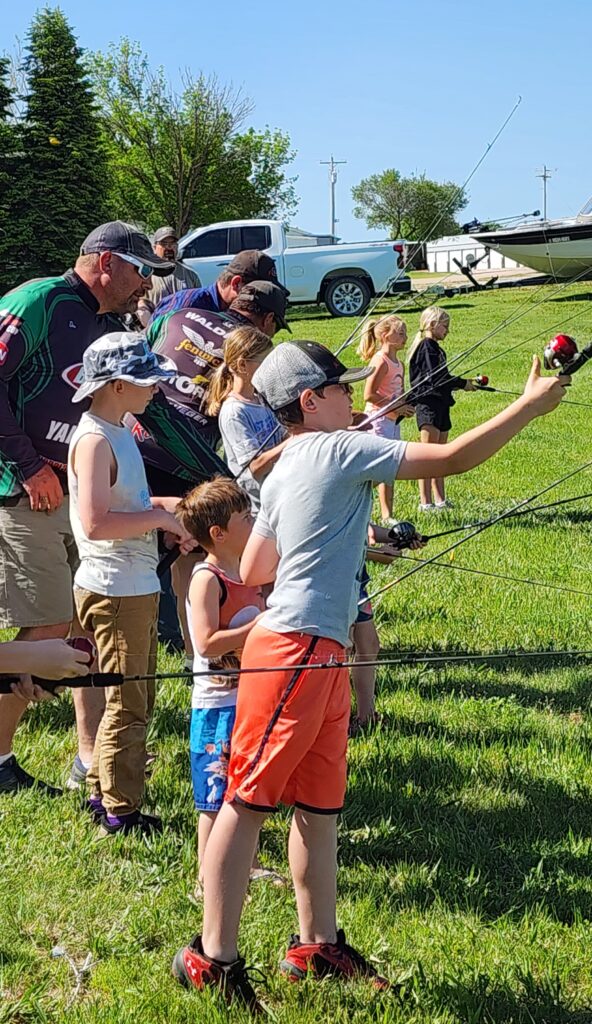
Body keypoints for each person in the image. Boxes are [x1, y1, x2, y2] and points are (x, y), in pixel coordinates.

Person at [172, 339, 567, 1010]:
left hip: (322, 653)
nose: (352, 396)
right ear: (310, 401)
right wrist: (528, 407)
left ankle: (316, 946)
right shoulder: (335, 449)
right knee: (246, 803)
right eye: (341, 387)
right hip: (296, 651)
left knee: (318, 809)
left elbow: (257, 567)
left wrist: (340, 532)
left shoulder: (285, 464)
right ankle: (212, 958)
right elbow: (452, 457)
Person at [0, 220, 175, 796]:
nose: (146, 284)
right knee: (48, 621)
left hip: (71, 489)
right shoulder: (39, 301)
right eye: (141, 270)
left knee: (82, 625)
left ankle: (89, 755)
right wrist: (27, 465)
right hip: (20, 487)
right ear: (105, 262)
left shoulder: (110, 325)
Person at [67, 332, 195, 836]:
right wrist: (160, 520)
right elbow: (96, 522)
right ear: (117, 385)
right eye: (146, 381)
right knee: (128, 702)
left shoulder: (117, 430)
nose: (155, 389)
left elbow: (125, 504)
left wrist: (168, 510)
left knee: (132, 697)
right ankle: (120, 812)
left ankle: (102, 791)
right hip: (116, 588)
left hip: (132, 583)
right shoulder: (96, 441)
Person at [134, 282, 291, 666]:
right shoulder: (245, 347)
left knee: (146, 559)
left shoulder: (179, 314)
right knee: (190, 559)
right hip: (188, 460)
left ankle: (179, 648)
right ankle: (196, 655)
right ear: (267, 321)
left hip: (134, 440)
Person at [177, 478, 284, 897]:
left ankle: (245, 865)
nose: (253, 522)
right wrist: (259, 626)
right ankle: (207, 878)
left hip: (251, 699)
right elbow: (205, 643)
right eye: (245, 518)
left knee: (243, 791)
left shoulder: (246, 570)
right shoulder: (207, 579)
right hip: (217, 705)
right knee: (213, 796)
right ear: (218, 533)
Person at [206, 326, 288, 511]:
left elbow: (282, 436)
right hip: (259, 507)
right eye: (265, 362)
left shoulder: (261, 398)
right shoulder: (234, 412)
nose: (272, 368)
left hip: (280, 495)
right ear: (242, 365)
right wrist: (295, 441)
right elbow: (255, 467)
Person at [408, 306, 476, 512]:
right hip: (428, 405)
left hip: (441, 404)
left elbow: (441, 379)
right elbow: (436, 378)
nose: (448, 330)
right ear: (432, 324)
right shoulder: (426, 347)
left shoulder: (436, 348)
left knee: (441, 456)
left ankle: (440, 500)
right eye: (445, 326)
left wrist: (461, 384)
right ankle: (425, 502)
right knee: (428, 456)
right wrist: (462, 383)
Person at [358, 315, 415, 524]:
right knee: (381, 468)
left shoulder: (399, 363)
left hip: (392, 421)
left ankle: (386, 514)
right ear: (384, 335)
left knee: (389, 469)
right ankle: (363, 504)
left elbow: (399, 393)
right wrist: (396, 407)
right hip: (378, 421)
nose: (405, 337)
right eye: (400, 333)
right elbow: (369, 394)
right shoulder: (381, 360)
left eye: (405, 333)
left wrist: (407, 406)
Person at [150, 250, 288, 322]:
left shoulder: (234, 314)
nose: (262, 300)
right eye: (258, 293)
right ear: (235, 284)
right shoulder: (186, 305)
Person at [136, 227, 202, 328]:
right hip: (157, 328)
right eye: (164, 244)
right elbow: (139, 302)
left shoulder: (191, 275)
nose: (169, 247)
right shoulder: (147, 274)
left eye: (172, 243)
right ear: (154, 248)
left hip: (184, 328)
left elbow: (200, 305)